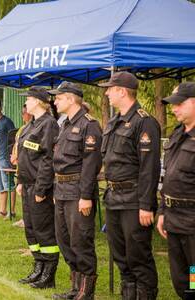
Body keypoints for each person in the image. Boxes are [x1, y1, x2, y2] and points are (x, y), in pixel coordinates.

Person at [99, 71, 160, 299]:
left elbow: (149, 168)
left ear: (122, 91)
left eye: (110, 89)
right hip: (114, 199)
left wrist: (146, 205)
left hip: (134, 200)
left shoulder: (144, 122)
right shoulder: (115, 122)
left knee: (138, 257)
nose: (106, 93)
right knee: (121, 256)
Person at [49, 82, 102, 300]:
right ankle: (75, 289)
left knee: (81, 241)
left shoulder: (89, 125)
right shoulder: (65, 124)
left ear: (71, 99)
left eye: (59, 98)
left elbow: (91, 164)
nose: (54, 101)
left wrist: (86, 196)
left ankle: (85, 293)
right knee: (65, 241)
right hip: (61, 189)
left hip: (77, 190)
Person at [16, 87, 60, 289]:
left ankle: (48, 274)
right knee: (32, 230)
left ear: (40, 102)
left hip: (38, 186)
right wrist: (19, 181)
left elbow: (48, 159)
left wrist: (42, 189)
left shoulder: (49, 124)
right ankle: (38, 267)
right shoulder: (30, 125)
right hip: (27, 184)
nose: (26, 103)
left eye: (30, 99)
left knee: (44, 230)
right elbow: (25, 156)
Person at [157, 82, 195, 299]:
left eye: (179, 104)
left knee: (194, 274)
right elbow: (167, 177)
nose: (174, 108)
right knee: (180, 277)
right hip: (173, 218)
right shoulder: (177, 134)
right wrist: (162, 211)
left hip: (192, 223)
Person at [11, 104, 32, 228]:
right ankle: (25, 218)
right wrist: (14, 155)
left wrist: (17, 156)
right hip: (20, 165)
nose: (22, 116)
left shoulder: (32, 128)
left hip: (27, 166)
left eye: (23, 113)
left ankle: (28, 219)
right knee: (22, 194)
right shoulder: (22, 129)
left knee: (27, 195)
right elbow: (16, 145)